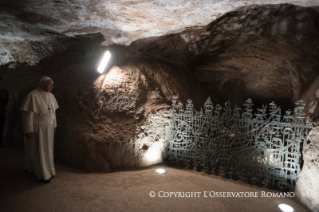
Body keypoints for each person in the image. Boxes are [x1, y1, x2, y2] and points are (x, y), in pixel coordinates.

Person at [20, 76, 59, 183]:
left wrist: (54, 124)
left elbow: (53, 112)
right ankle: (42, 174)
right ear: (43, 84)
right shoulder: (32, 95)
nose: (52, 87)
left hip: (49, 128)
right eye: (50, 84)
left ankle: (49, 171)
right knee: (39, 151)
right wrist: (28, 130)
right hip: (38, 129)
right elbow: (28, 114)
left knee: (48, 150)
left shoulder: (51, 95)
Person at [0, 77, 9, 148]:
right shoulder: (4, 92)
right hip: (1, 111)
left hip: (1, 112)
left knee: (1, 127)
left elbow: (5, 102)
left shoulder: (4, 92)